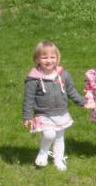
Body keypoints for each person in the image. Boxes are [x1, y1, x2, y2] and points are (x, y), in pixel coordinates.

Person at [22, 40, 86, 171]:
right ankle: (43, 153)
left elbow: (71, 91)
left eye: (52, 57)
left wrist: (82, 102)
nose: (49, 60)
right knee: (49, 135)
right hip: (43, 113)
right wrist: (27, 116)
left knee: (59, 138)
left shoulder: (63, 74)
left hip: (60, 112)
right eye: (44, 57)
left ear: (57, 58)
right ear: (37, 59)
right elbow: (28, 99)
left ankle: (58, 160)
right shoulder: (33, 78)